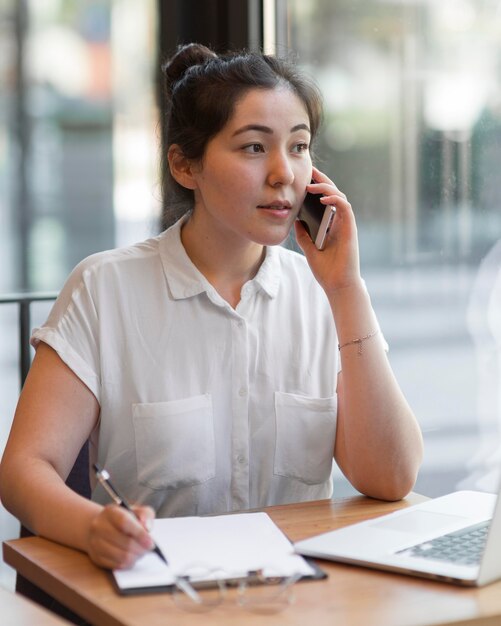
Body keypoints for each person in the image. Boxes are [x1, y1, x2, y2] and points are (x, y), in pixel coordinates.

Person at [0, 43, 423, 571]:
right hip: (166, 597)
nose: (284, 175)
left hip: (305, 600)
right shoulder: (104, 288)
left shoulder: (324, 293)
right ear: (184, 166)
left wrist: (346, 289)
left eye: (298, 147)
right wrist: (92, 529)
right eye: (252, 148)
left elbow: (391, 477)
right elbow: (24, 470)